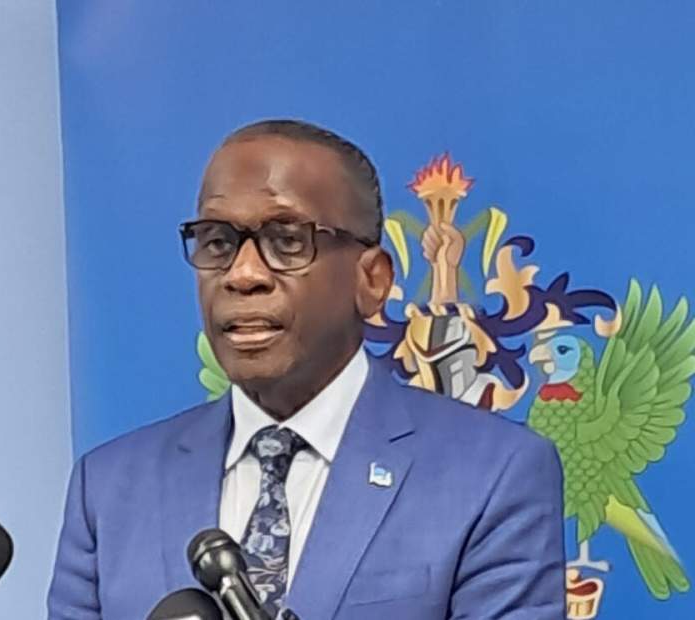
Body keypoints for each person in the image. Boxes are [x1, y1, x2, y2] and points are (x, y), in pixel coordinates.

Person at [47, 120, 565, 619]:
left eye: (287, 240)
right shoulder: (109, 488)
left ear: (372, 280)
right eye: (217, 242)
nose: (243, 274)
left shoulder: (492, 474)